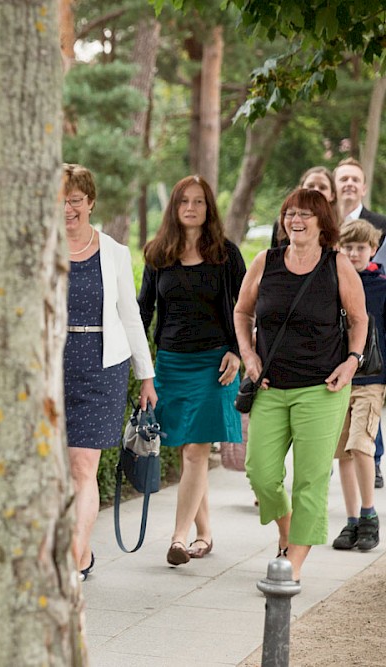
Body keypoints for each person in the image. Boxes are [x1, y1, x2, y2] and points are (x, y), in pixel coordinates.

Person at [234, 188, 368, 582]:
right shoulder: (265, 262)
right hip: (270, 387)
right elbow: (242, 311)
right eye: (290, 213)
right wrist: (249, 355)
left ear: (322, 223)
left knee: (310, 480)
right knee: (260, 472)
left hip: (322, 389)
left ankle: (290, 568)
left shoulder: (337, 265)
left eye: (306, 215)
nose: (296, 220)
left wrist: (352, 362)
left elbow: (359, 320)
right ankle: (290, 534)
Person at [138, 175, 246, 566]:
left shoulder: (226, 254)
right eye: (184, 201)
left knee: (197, 450)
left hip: (214, 363)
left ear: (208, 208)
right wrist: (142, 367)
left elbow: (245, 306)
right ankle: (205, 533)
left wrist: (237, 351)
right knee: (188, 451)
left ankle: (178, 538)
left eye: (198, 201)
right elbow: (143, 311)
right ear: (174, 207)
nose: (190, 208)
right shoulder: (158, 254)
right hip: (171, 362)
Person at [62, 163, 156, 582]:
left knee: (83, 467)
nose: (66, 209)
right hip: (47, 369)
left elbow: (130, 315)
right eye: (57, 201)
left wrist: (146, 375)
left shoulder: (115, 252)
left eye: (74, 201)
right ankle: (69, 549)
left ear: (90, 202)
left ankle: (76, 557)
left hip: (102, 367)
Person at [331, 218, 386, 552]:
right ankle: (351, 520)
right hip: (339, 379)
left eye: (360, 248)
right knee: (343, 453)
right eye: (347, 247)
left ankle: (369, 515)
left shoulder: (381, 284)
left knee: (361, 445)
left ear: (373, 249)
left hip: (372, 377)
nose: (353, 253)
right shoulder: (332, 282)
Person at [334, 157, 386, 487]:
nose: (350, 185)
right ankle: (355, 514)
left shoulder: (379, 224)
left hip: (372, 367)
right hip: (336, 366)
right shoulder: (324, 222)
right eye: (344, 179)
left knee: (362, 442)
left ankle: (373, 471)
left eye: (355, 179)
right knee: (343, 448)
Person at [270, 166, 338, 247]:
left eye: (322, 187)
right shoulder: (282, 223)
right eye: (310, 186)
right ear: (300, 189)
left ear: (332, 195)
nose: (315, 190)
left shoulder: (340, 225)